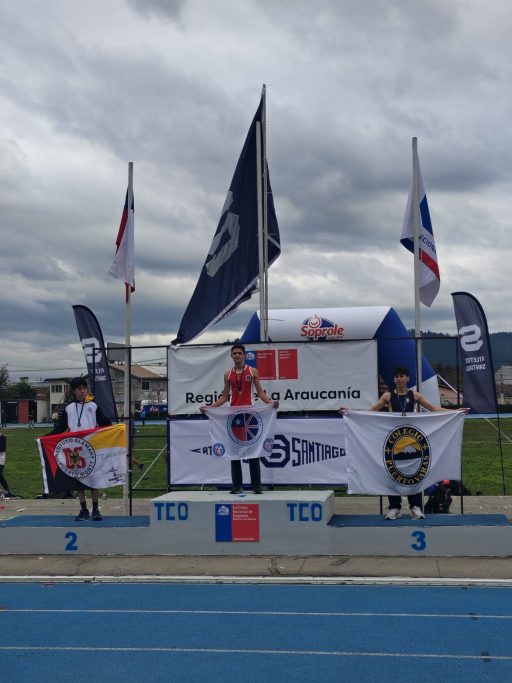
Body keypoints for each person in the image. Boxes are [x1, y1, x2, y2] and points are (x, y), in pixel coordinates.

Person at [340, 365, 468, 520]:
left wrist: (456, 411)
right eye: (397, 376)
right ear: (394, 380)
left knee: (414, 473)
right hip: (392, 440)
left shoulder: (415, 395)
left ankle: (415, 507)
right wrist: (349, 412)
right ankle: (394, 507)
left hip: (411, 439)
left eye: (402, 376)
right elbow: (369, 412)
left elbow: (434, 409)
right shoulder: (387, 396)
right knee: (390, 473)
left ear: (407, 378)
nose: (399, 379)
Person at [200, 343, 279, 494]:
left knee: (253, 451)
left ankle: (256, 486)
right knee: (234, 453)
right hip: (234, 417)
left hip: (250, 416)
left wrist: (271, 403)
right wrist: (210, 407)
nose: (237, 355)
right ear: (231, 356)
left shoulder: (253, 371)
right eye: (234, 353)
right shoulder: (227, 374)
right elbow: (224, 397)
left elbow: (261, 393)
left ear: (244, 355)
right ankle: (237, 486)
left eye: (239, 353)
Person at [49, 377, 111, 521]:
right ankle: (84, 510)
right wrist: (44, 437)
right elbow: (61, 428)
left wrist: (117, 428)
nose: (82, 391)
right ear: (74, 391)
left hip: (91, 448)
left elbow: (104, 422)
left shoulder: (93, 406)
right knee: (79, 481)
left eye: (84, 388)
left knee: (94, 480)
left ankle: (96, 510)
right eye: (79, 389)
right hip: (75, 449)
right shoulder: (69, 408)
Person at [0, 429, 20, 499]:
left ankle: (7, 490)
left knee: (0, 475)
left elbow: (2, 448)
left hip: (1, 458)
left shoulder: (3, 437)